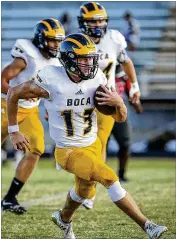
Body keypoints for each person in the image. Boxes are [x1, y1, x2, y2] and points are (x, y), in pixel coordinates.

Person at [7, 33, 167, 239]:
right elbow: (13, 94)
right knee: (109, 177)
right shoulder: (50, 78)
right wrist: (14, 130)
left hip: (91, 144)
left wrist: (118, 102)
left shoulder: (97, 77)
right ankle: (148, 226)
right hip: (68, 150)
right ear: (68, 59)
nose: (88, 64)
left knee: (84, 192)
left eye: (90, 59)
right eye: (82, 59)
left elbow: (120, 117)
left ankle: (63, 219)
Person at [77, 1, 140, 209]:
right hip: (79, 99)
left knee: (100, 143)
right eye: (94, 21)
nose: (99, 24)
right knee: (83, 147)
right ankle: (85, 187)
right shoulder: (75, 41)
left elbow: (126, 61)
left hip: (105, 98)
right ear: (83, 23)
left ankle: (90, 191)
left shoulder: (114, 38)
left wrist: (134, 87)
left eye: (102, 20)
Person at [1, 18, 65, 214]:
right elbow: (3, 79)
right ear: (40, 39)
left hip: (29, 110)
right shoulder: (26, 55)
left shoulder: (55, 62)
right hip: (5, 105)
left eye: (59, 40)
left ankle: (10, 197)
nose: (56, 45)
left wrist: (51, 110)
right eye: (52, 40)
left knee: (36, 147)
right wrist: (15, 94)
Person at [111, 63, 143, 182]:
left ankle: (122, 174)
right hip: (101, 114)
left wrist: (136, 102)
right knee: (100, 146)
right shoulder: (98, 74)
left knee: (125, 144)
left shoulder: (124, 77)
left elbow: (133, 97)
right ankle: (95, 174)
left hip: (119, 114)